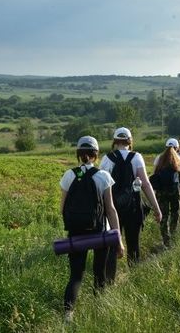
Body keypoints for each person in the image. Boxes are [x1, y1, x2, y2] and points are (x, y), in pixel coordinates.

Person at [60, 136, 125, 323]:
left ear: (78, 154)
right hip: (100, 232)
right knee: (99, 273)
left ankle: (68, 315)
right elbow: (110, 209)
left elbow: (62, 208)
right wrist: (118, 239)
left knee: (76, 275)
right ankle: (99, 311)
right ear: (96, 155)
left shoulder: (69, 175)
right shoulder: (103, 176)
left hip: (75, 233)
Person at [100, 127, 162, 281]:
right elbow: (146, 185)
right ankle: (135, 278)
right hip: (133, 207)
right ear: (129, 140)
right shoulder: (136, 157)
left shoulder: (107, 158)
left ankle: (109, 281)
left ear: (115, 141)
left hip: (111, 208)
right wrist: (156, 208)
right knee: (133, 243)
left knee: (112, 244)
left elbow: (100, 186)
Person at [152, 138, 180, 247]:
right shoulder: (178, 159)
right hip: (174, 191)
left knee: (164, 215)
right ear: (177, 148)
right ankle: (173, 237)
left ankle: (166, 240)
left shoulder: (159, 158)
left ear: (165, 147)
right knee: (175, 213)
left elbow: (154, 174)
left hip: (160, 192)